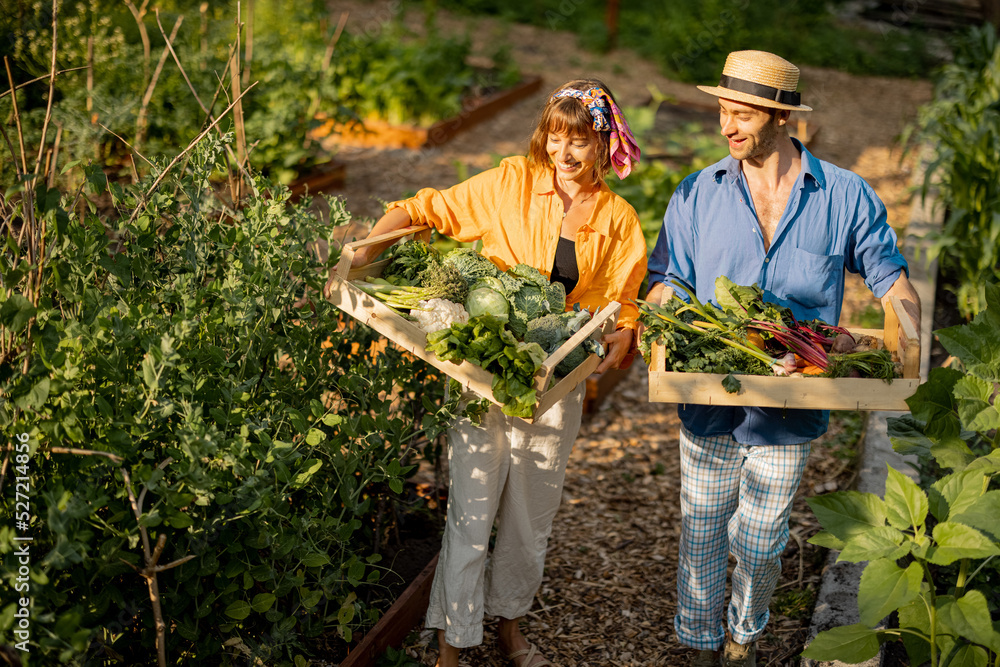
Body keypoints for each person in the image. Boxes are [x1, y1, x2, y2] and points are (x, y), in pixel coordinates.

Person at [350, 79, 647, 667]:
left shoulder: (618, 218)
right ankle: (451, 646)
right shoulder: (509, 181)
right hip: (483, 370)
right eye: (557, 137)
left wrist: (623, 335)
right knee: (472, 505)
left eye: (581, 141)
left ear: (603, 142)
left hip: (555, 381)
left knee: (529, 516)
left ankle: (510, 628)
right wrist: (365, 247)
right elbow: (423, 208)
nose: (565, 154)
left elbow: (624, 300)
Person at [646, 51, 921, 667]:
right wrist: (660, 307)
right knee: (702, 533)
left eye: (741, 113)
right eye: (722, 111)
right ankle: (699, 647)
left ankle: (745, 634)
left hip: (791, 407)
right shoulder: (697, 193)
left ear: (780, 117)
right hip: (710, 399)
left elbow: (888, 274)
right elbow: (667, 277)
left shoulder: (843, 195)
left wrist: (907, 325)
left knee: (763, 541)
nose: (727, 126)